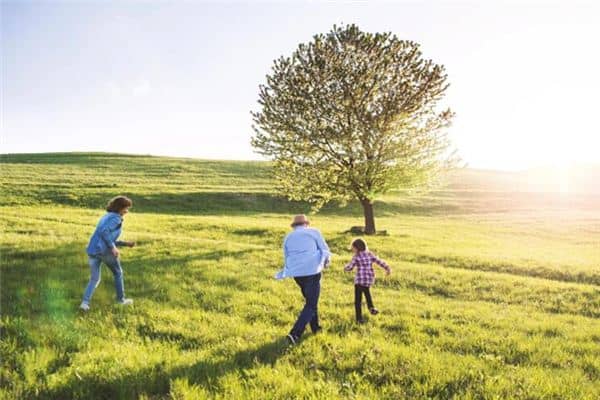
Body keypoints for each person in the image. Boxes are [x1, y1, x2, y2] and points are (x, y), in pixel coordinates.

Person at [275, 214, 330, 345]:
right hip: (312, 271)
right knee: (311, 304)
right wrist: (326, 263)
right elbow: (325, 250)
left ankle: (316, 328)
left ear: (294, 225)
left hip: (297, 274)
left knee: (310, 301)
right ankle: (295, 334)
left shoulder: (288, 237)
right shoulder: (313, 232)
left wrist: (288, 269)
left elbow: (286, 255)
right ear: (306, 223)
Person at [80, 196, 135, 311]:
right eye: (126, 208)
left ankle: (84, 304)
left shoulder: (106, 216)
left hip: (93, 250)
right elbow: (105, 233)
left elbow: (105, 236)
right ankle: (121, 300)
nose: (127, 211)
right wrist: (113, 248)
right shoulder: (116, 219)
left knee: (94, 278)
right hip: (104, 251)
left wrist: (125, 244)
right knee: (118, 273)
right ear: (120, 208)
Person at [344, 238, 391, 323]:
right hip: (368, 280)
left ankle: (359, 319)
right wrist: (387, 268)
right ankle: (372, 308)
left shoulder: (356, 257)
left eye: (353, 248)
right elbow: (379, 262)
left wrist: (345, 267)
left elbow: (350, 267)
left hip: (359, 281)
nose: (352, 250)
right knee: (367, 293)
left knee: (358, 300)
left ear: (357, 248)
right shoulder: (369, 254)